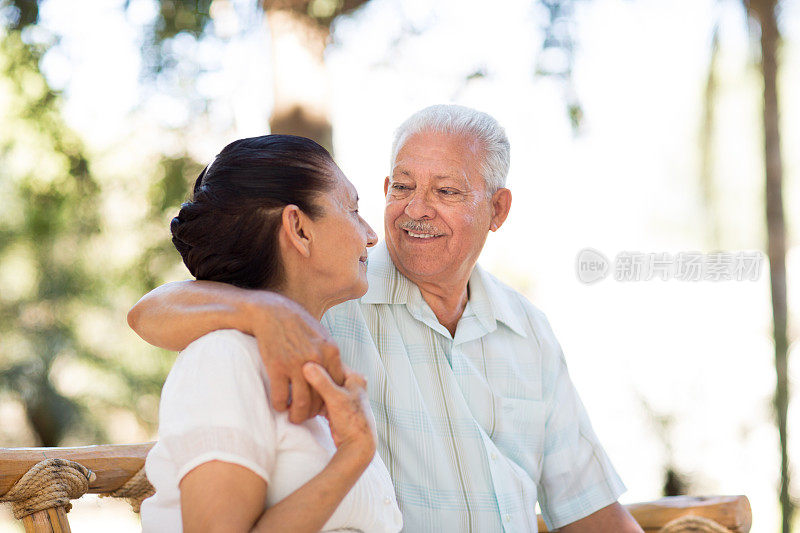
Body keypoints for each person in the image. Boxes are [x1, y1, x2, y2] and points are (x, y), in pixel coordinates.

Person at [130, 105, 643, 532]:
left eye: (446, 191)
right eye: (401, 187)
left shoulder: (528, 329)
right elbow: (151, 313)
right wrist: (265, 311)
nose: (412, 211)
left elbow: (589, 506)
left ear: (497, 209)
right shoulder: (325, 298)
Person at [139, 134, 403, 532]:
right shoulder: (223, 359)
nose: (371, 234)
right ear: (299, 229)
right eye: (352, 209)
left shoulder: (305, 351)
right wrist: (353, 455)